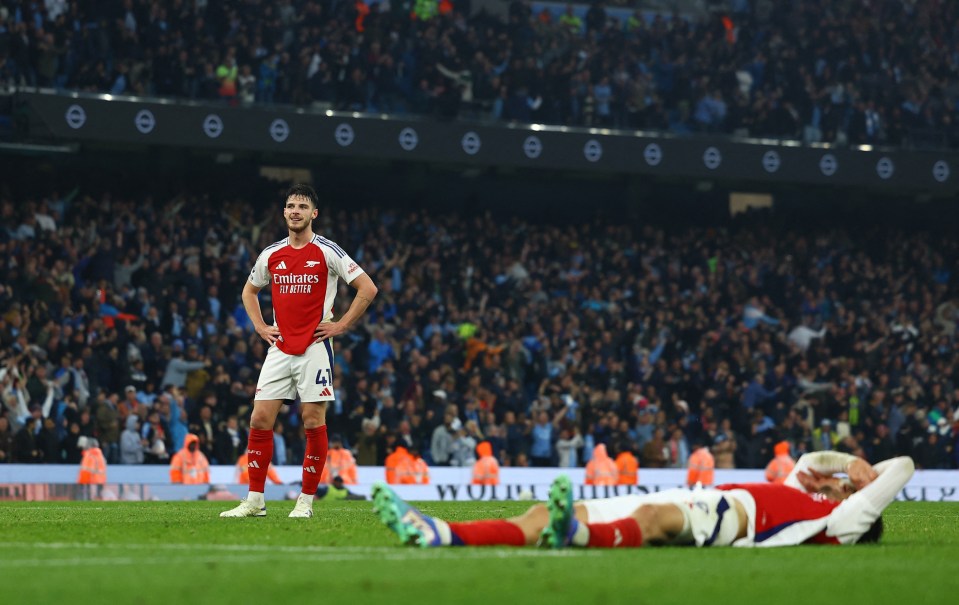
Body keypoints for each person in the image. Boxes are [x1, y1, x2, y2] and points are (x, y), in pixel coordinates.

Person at [371, 451, 913, 548]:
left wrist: (859, 480)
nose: (840, 484)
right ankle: (442, 532)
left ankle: (578, 536)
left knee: (651, 520)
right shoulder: (809, 489)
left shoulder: (842, 521)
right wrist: (844, 463)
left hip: (729, 521)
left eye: (848, 488)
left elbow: (902, 469)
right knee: (540, 514)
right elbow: (811, 462)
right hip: (701, 496)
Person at [221, 184, 377, 519]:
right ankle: (255, 501)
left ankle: (305, 502)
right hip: (279, 347)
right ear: (284, 212)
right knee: (260, 418)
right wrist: (261, 327)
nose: (295, 211)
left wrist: (341, 325)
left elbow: (368, 288)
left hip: (315, 347)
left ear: (313, 214)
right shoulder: (271, 253)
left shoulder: (327, 250)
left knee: (312, 419)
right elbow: (249, 292)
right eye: (291, 205)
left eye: (302, 206)